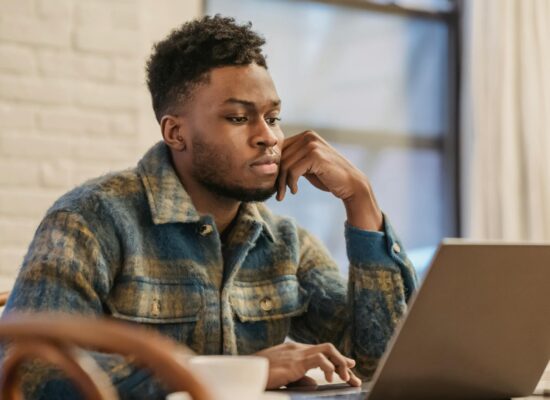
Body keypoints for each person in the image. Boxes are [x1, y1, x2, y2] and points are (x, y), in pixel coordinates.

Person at [1, 15, 417, 399]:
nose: (268, 137)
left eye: (273, 117)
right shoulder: (89, 219)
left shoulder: (285, 243)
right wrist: (239, 373)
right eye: (239, 118)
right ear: (176, 132)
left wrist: (360, 200)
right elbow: (32, 371)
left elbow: (381, 360)